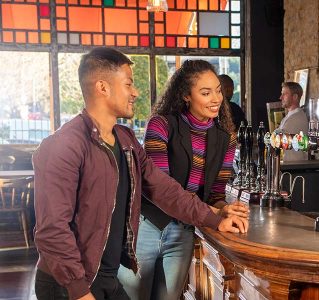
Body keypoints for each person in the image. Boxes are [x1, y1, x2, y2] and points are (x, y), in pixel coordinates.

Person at [33, 47, 249, 300]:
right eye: (128, 84)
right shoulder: (63, 145)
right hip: (67, 283)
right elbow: (52, 230)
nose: (135, 92)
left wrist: (216, 219)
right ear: (103, 87)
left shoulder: (125, 140)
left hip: (106, 276)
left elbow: (165, 189)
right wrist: (78, 291)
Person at [116, 60, 246, 300]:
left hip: (183, 232)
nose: (216, 98)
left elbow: (215, 194)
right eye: (205, 93)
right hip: (146, 227)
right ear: (186, 95)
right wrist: (215, 216)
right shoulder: (162, 125)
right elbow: (160, 188)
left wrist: (225, 209)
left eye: (218, 90)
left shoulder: (226, 138)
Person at [277, 81, 309, 161]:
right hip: (289, 165)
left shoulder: (297, 118)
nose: (281, 97)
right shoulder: (290, 116)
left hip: (294, 167)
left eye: (285, 94)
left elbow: (278, 140)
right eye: (282, 94)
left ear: (295, 97)